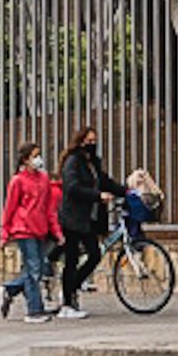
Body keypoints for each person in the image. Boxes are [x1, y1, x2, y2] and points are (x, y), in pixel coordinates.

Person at [0, 144, 60, 323]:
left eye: (39, 155)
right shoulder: (18, 181)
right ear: (25, 160)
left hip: (40, 229)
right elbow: (10, 207)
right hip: (23, 229)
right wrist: (5, 233)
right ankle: (34, 310)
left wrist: (55, 230)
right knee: (33, 269)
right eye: (34, 156)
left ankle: (10, 289)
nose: (38, 159)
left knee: (37, 269)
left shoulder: (44, 179)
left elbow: (49, 209)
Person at [54, 125, 110, 317]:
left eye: (95, 141)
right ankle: (67, 304)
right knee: (71, 260)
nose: (92, 145)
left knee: (94, 255)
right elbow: (72, 188)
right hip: (72, 218)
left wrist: (126, 191)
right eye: (89, 141)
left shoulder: (92, 163)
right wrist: (97, 195)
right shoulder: (73, 162)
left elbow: (105, 181)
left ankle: (71, 288)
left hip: (87, 219)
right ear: (80, 142)